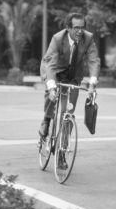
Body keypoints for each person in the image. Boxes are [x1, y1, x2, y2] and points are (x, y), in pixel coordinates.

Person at [38, 12, 100, 168]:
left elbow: (94, 61)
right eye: (76, 28)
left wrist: (92, 84)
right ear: (68, 28)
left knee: (68, 114)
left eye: (82, 27)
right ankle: (46, 120)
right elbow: (50, 64)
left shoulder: (88, 38)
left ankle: (61, 153)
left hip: (73, 77)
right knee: (51, 97)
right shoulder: (58, 39)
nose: (80, 31)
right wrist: (52, 87)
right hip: (55, 72)